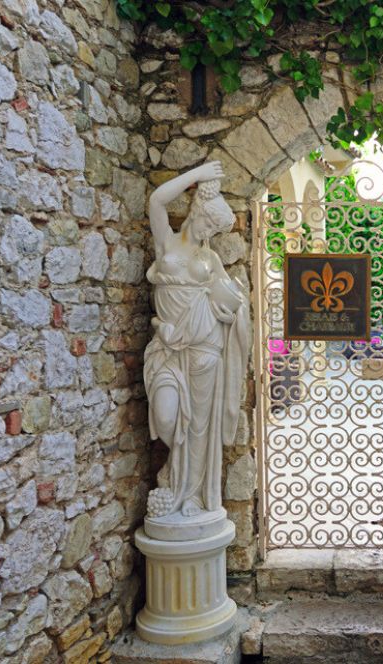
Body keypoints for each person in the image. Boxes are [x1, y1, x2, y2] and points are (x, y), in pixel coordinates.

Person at [144, 161, 250, 518]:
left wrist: (229, 310)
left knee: (200, 428)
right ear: (195, 211)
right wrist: (198, 174)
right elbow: (157, 202)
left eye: (213, 228)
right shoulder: (167, 244)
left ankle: (188, 492)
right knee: (167, 416)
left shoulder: (210, 257)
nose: (207, 232)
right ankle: (172, 473)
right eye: (206, 221)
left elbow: (232, 301)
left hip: (206, 351)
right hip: (169, 352)